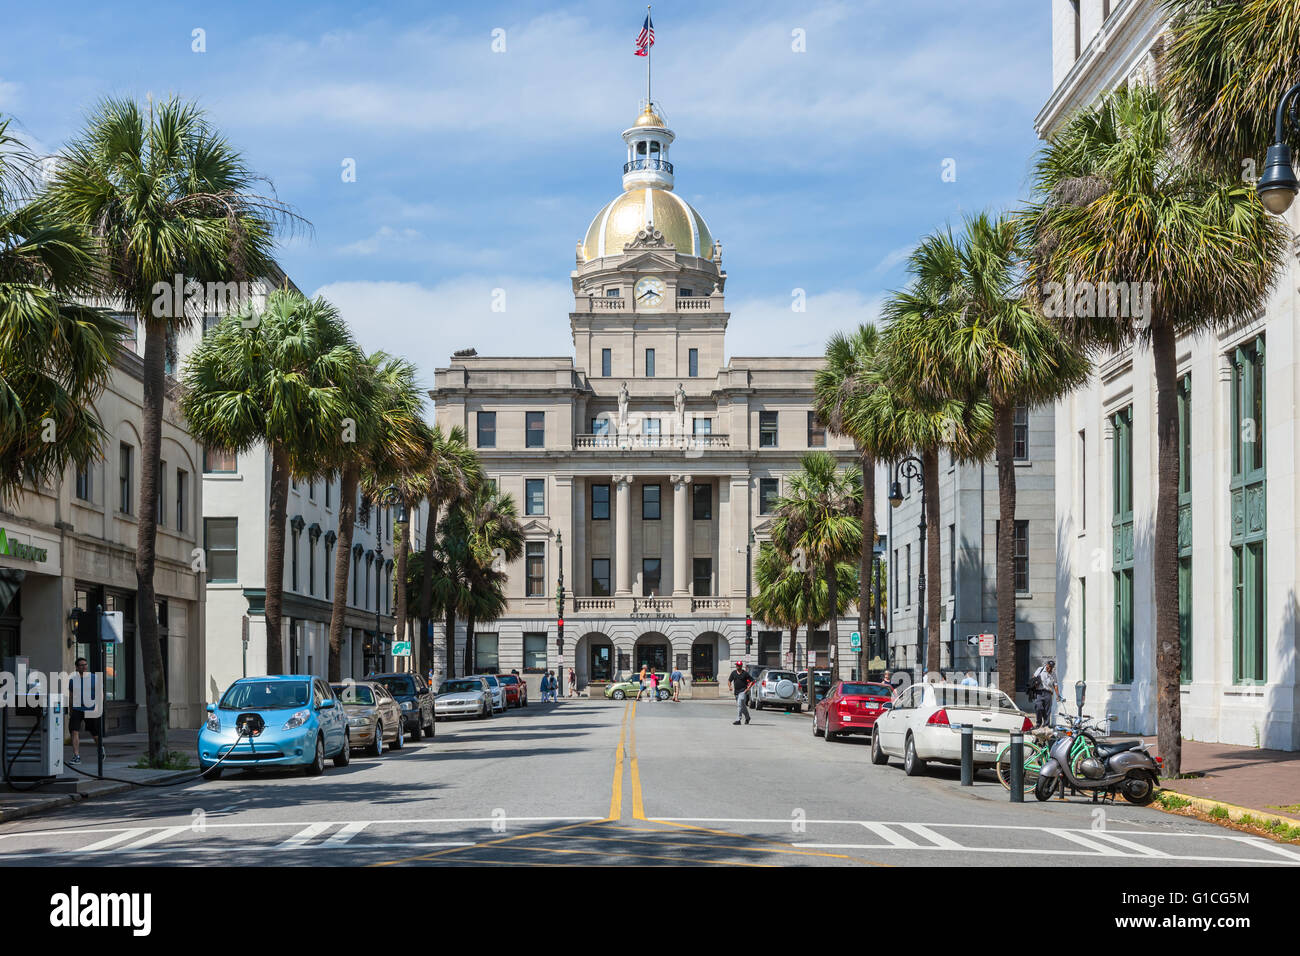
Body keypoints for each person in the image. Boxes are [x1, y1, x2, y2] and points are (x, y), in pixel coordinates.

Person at [68, 657, 101, 765]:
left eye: (85, 664)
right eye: (81, 665)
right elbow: (71, 695)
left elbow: (100, 693)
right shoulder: (73, 680)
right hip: (77, 708)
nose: (84, 666)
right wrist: (70, 709)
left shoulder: (94, 678)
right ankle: (76, 756)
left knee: (94, 733)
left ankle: (100, 749)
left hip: (90, 709)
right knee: (74, 731)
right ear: (77, 667)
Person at [1030, 659, 1061, 728]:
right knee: (1038, 707)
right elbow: (1034, 677)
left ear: (1052, 667)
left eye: (1051, 667)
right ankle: (1038, 723)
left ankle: (1046, 725)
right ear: (1046, 665)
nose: (1049, 668)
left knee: (1047, 710)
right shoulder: (1040, 669)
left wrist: (1058, 695)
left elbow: (1055, 685)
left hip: (1048, 693)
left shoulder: (1053, 674)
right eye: (1048, 666)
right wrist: (1035, 683)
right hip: (1039, 692)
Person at [728, 661, 753, 725]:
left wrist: (748, 688)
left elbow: (752, 680)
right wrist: (730, 686)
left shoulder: (745, 673)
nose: (737, 666)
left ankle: (738, 719)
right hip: (736, 692)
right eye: (736, 665)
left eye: (738, 665)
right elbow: (729, 680)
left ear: (741, 666)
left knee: (740, 704)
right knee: (742, 706)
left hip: (743, 691)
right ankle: (748, 717)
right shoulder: (733, 673)